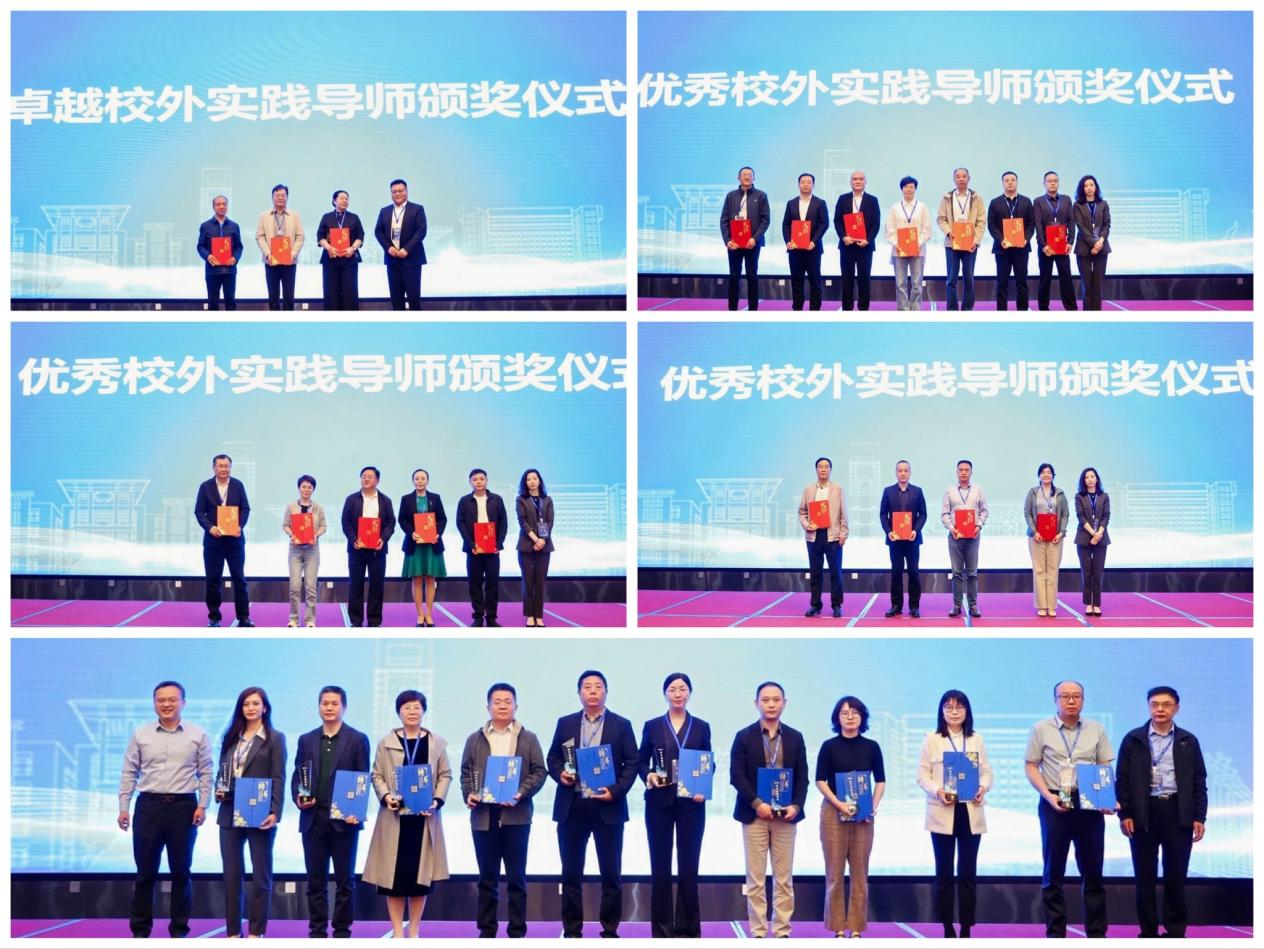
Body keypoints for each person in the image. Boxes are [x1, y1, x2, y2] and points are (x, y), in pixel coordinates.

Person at [546, 670, 639, 939]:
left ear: (606, 692)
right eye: (587, 687)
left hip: (608, 806)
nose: (593, 691)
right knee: (571, 874)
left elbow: (632, 763)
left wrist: (615, 791)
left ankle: (609, 930)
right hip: (572, 805)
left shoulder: (621, 725)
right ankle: (572, 931)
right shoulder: (565, 723)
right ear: (579, 693)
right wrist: (560, 775)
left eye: (598, 686)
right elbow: (553, 758)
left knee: (610, 874)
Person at [117, 680, 212, 939]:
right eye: (161, 700)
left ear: (183, 703)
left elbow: (206, 772)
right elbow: (129, 772)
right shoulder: (141, 734)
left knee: (181, 872)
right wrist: (123, 807)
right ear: (154, 703)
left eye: (172, 699)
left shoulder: (198, 734)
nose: (166, 704)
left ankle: (179, 932)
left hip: (184, 808)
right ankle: (140, 932)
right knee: (145, 873)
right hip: (148, 807)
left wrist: (203, 804)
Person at [1023, 680, 1115, 939]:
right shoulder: (1040, 729)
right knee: (1053, 872)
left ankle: (1096, 934)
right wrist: (1047, 796)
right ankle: (1055, 934)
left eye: (1076, 696)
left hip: (1089, 802)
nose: (1071, 701)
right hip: (1055, 801)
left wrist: (1106, 799)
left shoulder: (1096, 729)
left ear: (1083, 700)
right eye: (1065, 696)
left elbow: (1104, 766)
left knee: (1093, 872)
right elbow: (1031, 765)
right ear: (1055, 700)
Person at [1115, 686, 1208, 939]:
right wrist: (1125, 815)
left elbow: (1199, 781)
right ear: (1148, 707)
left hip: (1178, 812)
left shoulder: (1188, 741)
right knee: (1144, 875)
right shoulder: (1133, 739)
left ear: (1176, 708)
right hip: (1143, 812)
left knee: (1176, 875)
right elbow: (1122, 780)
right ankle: (1148, 932)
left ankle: (1175, 931)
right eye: (1154, 704)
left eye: (1166, 704)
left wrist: (1199, 816)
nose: (1160, 709)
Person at [459, 682, 549, 939]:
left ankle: (517, 932)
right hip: (484, 817)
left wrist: (520, 792)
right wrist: (469, 794)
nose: (502, 706)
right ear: (488, 706)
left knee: (516, 879)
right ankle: (487, 932)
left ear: (515, 706)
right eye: (497, 701)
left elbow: (540, 772)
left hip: (516, 817)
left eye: (507, 701)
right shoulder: (474, 739)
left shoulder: (528, 738)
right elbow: (466, 773)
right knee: (487, 879)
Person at [363, 690, 451, 939]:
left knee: (420, 878)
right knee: (394, 878)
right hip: (394, 819)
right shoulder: (386, 743)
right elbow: (376, 775)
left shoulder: (436, 744)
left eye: (416, 707)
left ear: (424, 711)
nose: (412, 712)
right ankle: (397, 932)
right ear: (398, 712)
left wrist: (436, 800)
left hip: (424, 819)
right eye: (406, 707)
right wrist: (386, 796)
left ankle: (414, 929)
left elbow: (445, 775)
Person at [729, 681, 810, 939]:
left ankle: (782, 930)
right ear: (756, 703)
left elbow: (803, 778)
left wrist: (796, 805)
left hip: (786, 816)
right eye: (765, 700)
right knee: (755, 878)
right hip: (754, 815)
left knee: (783, 878)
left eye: (776, 699)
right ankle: (759, 932)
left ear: (784, 703)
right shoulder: (744, 736)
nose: (771, 704)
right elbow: (736, 776)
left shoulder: (795, 737)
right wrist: (757, 803)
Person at [292, 685, 371, 938]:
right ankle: (317, 931)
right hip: (313, 818)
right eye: (325, 703)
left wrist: (357, 810)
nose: (329, 708)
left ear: (344, 707)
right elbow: (298, 775)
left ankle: (342, 931)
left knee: (345, 881)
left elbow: (362, 778)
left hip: (344, 819)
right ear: (319, 706)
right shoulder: (306, 740)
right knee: (315, 880)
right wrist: (298, 797)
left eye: (334, 703)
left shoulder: (357, 739)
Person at [637, 673, 712, 938]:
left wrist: (703, 785)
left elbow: (708, 762)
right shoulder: (653, 726)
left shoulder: (701, 727)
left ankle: (688, 930)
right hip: (659, 804)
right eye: (672, 689)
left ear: (689, 693)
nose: (678, 693)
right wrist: (648, 775)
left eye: (682, 689)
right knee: (660, 867)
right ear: (665, 693)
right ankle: (662, 931)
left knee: (689, 869)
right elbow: (640, 761)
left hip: (692, 805)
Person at [916, 689, 993, 939]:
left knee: (968, 873)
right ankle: (947, 926)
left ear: (967, 711)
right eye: (948, 707)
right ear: (941, 712)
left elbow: (987, 772)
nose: (954, 711)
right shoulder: (931, 739)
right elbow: (922, 775)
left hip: (970, 811)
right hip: (943, 811)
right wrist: (937, 790)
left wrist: (983, 787)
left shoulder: (976, 739)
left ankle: (967, 927)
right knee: (945, 873)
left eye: (959, 707)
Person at [215, 687, 286, 938]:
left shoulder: (275, 738)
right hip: (229, 811)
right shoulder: (230, 736)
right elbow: (223, 772)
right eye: (246, 704)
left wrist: (275, 811)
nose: (251, 708)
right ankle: (233, 932)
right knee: (232, 875)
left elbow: (278, 777)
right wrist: (218, 791)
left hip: (260, 812)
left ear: (265, 708)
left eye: (256, 703)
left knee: (261, 875)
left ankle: (256, 932)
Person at [815, 696, 885, 938]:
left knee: (859, 873)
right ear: (837, 718)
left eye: (855, 712)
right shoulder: (829, 746)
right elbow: (820, 781)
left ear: (862, 717)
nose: (850, 717)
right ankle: (837, 928)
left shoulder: (872, 747)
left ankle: (856, 927)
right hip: (833, 812)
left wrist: (872, 806)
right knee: (834, 873)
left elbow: (881, 781)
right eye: (845, 713)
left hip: (863, 816)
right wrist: (839, 804)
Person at [194, 453, 253, 628]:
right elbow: (199, 512)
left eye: (226, 466)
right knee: (213, 580)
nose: (223, 469)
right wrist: (210, 527)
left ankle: (244, 618)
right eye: (220, 466)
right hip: (213, 542)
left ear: (230, 467)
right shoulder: (205, 487)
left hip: (235, 541)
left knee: (239, 579)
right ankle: (214, 617)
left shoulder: (238, 485)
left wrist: (240, 526)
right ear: (214, 467)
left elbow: (245, 508)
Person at [341, 466, 396, 627]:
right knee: (355, 584)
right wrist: (353, 539)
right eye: (363, 476)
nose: (366, 479)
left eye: (370, 476)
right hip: (356, 549)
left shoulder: (385, 500)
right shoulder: (351, 499)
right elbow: (345, 522)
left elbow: (391, 523)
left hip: (377, 550)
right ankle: (355, 620)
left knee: (377, 585)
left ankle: (374, 620)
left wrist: (383, 539)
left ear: (377, 480)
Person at [456, 467, 509, 627]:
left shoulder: (496, 499)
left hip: (493, 549)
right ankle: (478, 616)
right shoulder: (464, 501)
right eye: (475, 479)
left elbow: (503, 522)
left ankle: (491, 617)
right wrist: (471, 544)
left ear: (486, 481)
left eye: (481, 479)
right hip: (473, 549)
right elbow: (460, 523)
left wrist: (498, 544)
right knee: (475, 583)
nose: (478, 482)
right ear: (470, 482)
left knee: (492, 583)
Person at [797, 456, 849, 618]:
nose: (823, 469)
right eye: (820, 466)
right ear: (816, 469)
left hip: (833, 536)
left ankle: (837, 605)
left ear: (831, 470)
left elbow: (843, 513)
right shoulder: (808, 489)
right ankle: (815, 605)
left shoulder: (837, 488)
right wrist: (807, 525)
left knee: (836, 573)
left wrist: (844, 533)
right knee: (815, 573)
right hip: (814, 536)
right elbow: (802, 512)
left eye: (826, 466)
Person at [399, 468, 447, 628]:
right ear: (413, 481)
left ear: (427, 480)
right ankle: (420, 613)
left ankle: (429, 613)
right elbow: (402, 520)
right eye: (417, 478)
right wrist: (411, 533)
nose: (420, 481)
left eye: (423, 478)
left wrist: (437, 533)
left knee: (431, 578)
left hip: (432, 543)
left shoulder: (435, 498)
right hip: (415, 543)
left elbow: (442, 518)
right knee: (417, 579)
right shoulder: (406, 499)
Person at [879, 459, 927, 618]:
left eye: (906, 470)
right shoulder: (888, 491)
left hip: (912, 539)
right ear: (896, 473)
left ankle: (914, 606)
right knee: (896, 573)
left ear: (910, 472)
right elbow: (883, 515)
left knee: (914, 573)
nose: (903, 473)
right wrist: (888, 532)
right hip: (895, 540)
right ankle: (896, 605)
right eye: (900, 470)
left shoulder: (918, 491)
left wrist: (915, 530)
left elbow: (923, 514)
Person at [940, 460, 988, 619]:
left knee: (972, 573)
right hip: (955, 536)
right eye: (961, 470)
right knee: (957, 573)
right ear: (956, 472)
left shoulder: (978, 490)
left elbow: (984, 511)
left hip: (973, 535)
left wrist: (978, 526)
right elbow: (944, 514)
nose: (963, 472)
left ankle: (973, 605)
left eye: (967, 470)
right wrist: (951, 527)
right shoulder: (949, 491)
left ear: (971, 472)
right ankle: (957, 605)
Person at [719, 166, 770, 310]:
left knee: (752, 276)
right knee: (734, 277)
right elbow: (724, 220)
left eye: (750, 175)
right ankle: (732, 310)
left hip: (752, 243)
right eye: (744, 174)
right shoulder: (731, 196)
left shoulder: (761, 196)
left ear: (754, 178)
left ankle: (753, 310)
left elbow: (765, 220)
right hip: (734, 243)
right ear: (738, 178)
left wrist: (754, 239)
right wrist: (728, 240)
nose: (747, 177)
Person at [1024, 462, 1070, 618]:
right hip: (1036, 537)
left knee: (1052, 571)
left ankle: (1051, 605)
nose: (1046, 474)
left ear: (1053, 475)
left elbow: (1065, 515)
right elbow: (1027, 513)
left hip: (1055, 537)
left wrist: (1061, 533)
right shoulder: (1033, 492)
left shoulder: (1060, 493)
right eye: (1043, 472)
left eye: (1049, 472)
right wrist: (1034, 531)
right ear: (1039, 475)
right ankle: (1041, 605)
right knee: (1039, 570)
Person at [936, 167, 986, 310]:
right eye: (958, 177)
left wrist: (976, 240)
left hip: (970, 243)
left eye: (964, 176)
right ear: (954, 179)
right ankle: (952, 309)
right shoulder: (947, 197)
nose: (961, 179)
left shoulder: (977, 197)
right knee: (951, 279)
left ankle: (967, 309)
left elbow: (981, 221)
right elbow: (941, 218)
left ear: (969, 179)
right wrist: (949, 232)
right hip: (952, 243)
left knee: (969, 278)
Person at [374, 178, 427, 310]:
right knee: (396, 299)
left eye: (400, 191)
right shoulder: (384, 211)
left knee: (414, 298)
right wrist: (388, 248)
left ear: (406, 191)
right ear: (391, 193)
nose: (397, 193)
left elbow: (421, 231)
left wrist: (406, 249)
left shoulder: (417, 209)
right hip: (392, 260)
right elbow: (378, 231)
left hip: (411, 260)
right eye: (394, 191)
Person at [282, 474, 326, 628]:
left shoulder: (318, 508)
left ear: (313, 489)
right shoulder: (291, 506)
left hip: (312, 550)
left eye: (309, 487)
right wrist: (291, 534)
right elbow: (285, 525)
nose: (306, 489)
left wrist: (316, 535)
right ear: (299, 488)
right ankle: (294, 619)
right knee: (294, 587)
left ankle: (310, 620)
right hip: (295, 550)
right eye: (303, 487)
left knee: (310, 587)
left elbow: (323, 526)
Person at [987, 171, 1035, 310]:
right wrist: (1001, 239)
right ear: (1002, 183)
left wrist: (1026, 239)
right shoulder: (995, 202)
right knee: (1002, 282)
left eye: (1012, 180)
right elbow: (991, 225)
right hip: (1002, 249)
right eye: (1006, 180)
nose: (1010, 182)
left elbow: (1031, 224)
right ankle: (1002, 312)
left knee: (1022, 282)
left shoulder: (1026, 201)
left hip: (1021, 248)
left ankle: (1022, 311)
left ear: (1017, 182)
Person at [834, 170, 881, 310]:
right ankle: (847, 309)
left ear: (866, 182)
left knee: (864, 279)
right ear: (850, 182)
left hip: (865, 246)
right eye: (855, 179)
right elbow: (837, 220)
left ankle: (863, 309)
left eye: (861, 179)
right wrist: (843, 237)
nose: (858, 181)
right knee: (846, 279)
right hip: (847, 245)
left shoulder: (873, 200)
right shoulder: (843, 199)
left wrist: (868, 239)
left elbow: (876, 223)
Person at [781, 172, 829, 310]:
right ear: (798, 184)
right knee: (796, 281)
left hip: (813, 249)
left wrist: (814, 241)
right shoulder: (791, 203)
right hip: (795, 249)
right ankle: (797, 309)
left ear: (813, 185)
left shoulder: (820, 203)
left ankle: (814, 310)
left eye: (809, 182)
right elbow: (785, 225)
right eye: (803, 182)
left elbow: (824, 224)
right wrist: (788, 241)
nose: (806, 185)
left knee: (815, 281)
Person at [1032, 171, 1078, 311]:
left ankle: (1071, 308)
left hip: (1062, 245)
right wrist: (1043, 245)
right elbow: (1037, 224)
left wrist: (1070, 242)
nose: (1052, 183)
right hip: (1046, 247)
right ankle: (1043, 308)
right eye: (1049, 181)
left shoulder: (1066, 200)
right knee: (1045, 278)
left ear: (1058, 183)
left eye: (1055, 181)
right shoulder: (1038, 201)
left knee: (1066, 277)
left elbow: (1071, 221)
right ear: (1044, 183)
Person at [886, 175, 933, 310]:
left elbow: (927, 230)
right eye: (906, 187)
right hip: (898, 250)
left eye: (911, 187)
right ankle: (903, 310)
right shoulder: (895, 208)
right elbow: (890, 230)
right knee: (900, 283)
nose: (909, 189)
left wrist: (917, 244)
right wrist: (898, 244)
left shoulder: (922, 207)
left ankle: (915, 310)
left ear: (915, 189)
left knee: (917, 283)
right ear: (902, 189)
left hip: (918, 250)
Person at [255, 183, 305, 310]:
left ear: (287, 197)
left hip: (290, 261)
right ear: (272, 197)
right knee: (273, 296)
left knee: (289, 296)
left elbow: (300, 236)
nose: (280, 198)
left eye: (283, 195)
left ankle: (288, 320)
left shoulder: (295, 215)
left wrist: (293, 253)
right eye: (277, 195)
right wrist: (268, 254)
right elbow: (260, 236)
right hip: (271, 261)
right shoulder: (264, 215)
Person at [516, 468, 554, 628]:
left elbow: (550, 521)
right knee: (528, 582)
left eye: (534, 478)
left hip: (544, 546)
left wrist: (542, 540)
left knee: (539, 583)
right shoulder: (521, 500)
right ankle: (530, 615)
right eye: (528, 479)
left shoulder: (547, 500)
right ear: (525, 483)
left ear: (539, 481)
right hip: (526, 545)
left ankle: (539, 616)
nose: (532, 481)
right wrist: (535, 539)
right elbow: (522, 522)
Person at [317, 189, 364, 310]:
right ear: (334, 200)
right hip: (330, 259)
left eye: (347, 199)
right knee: (331, 292)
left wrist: (353, 248)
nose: (345, 201)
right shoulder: (326, 217)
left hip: (349, 259)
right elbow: (320, 237)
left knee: (350, 292)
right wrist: (329, 247)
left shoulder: (354, 217)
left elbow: (360, 236)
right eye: (341, 198)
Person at [1074, 467, 1111, 616]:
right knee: (1086, 572)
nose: (1090, 479)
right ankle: (1088, 604)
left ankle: (1097, 604)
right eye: (1087, 477)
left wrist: (1099, 533)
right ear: (1083, 480)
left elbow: (1106, 516)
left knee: (1098, 572)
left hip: (1101, 538)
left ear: (1097, 479)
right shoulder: (1079, 496)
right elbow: (1080, 517)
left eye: (1092, 476)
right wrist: (1093, 533)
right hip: (1084, 537)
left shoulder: (1104, 496)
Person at [196, 194, 243, 310]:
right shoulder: (205, 226)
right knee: (212, 303)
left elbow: (239, 246)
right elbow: (200, 246)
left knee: (230, 302)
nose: (222, 206)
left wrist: (235, 258)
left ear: (227, 206)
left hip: (229, 270)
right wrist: (208, 256)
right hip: (212, 270)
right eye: (218, 204)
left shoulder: (234, 226)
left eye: (224, 204)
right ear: (213, 207)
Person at [1072, 175, 1111, 310]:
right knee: (1087, 285)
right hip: (1083, 248)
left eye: (1091, 185)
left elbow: (1107, 225)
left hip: (1102, 247)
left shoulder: (1103, 204)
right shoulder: (1077, 205)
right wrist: (1094, 244)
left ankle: (1097, 315)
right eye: (1086, 185)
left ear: (1096, 187)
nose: (1089, 188)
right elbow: (1081, 226)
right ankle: (1087, 315)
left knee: (1098, 285)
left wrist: (1100, 242)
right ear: (1082, 188)